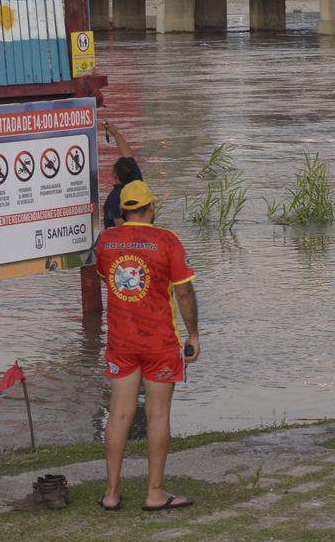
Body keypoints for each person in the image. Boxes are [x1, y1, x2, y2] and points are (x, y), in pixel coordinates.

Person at [95, 180, 201, 512]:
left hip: (121, 342)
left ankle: (111, 493)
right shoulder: (166, 240)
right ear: (151, 208)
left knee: (119, 415)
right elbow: (183, 293)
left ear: (123, 210)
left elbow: (108, 278)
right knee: (157, 416)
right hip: (160, 343)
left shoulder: (106, 242)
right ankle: (155, 492)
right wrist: (193, 334)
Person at [102, 121, 144, 229]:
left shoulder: (115, 197)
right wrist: (116, 134)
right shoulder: (138, 184)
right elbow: (128, 155)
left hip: (122, 242)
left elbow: (119, 226)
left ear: (115, 175)